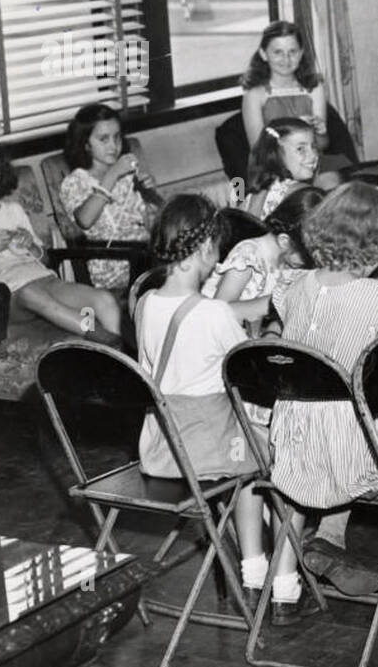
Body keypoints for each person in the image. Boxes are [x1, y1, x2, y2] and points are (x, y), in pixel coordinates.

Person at [136, 195, 307, 624]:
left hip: (162, 446)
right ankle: (284, 586)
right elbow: (251, 370)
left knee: (246, 448)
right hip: (207, 448)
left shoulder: (144, 303)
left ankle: (252, 572)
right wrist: (271, 327)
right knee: (294, 456)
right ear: (204, 249)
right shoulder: (211, 314)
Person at [272, 183, 378, 596]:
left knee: (355, 410)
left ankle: (328, 538)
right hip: (360, 468)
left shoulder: (293, 286)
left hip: (295, 457)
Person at [0, 134, 121, 337]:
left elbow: (46, 260)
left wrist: (31, 246)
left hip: (42, 279)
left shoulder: (13, 210)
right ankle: (105, 341)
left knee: (103, 300)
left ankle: (111, 358)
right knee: (32, 294)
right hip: (4, 299)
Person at [57, 104, 163, 290]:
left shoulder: (129, 175)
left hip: (148, 256)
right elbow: (85, 220)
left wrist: (151, 195)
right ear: (86, 144)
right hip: (114, 265)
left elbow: (155, 223)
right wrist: (112, 175)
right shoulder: (74, 182)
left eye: (117, 137)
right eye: (103, 139)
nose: (114, 146)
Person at [202, 186, 325, 333]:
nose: (309, 264)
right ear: (284, 241)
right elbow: (217, 313)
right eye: (307, 258)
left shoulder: (288, 262)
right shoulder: (248, 257)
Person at [240, 22, 347, 184]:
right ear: (263, 54)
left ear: (301, 53)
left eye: (292, 52)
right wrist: (294, 130)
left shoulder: (313, 88)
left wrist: (321, 132)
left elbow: (322, 145)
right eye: (277, 52)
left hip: (310, 162)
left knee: (333, 185)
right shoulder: (255, 94)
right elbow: (259, 149)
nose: (286, 59)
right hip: (273, 168)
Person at [244, 117, 319, 220]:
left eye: (314, 146)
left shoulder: (254, 195)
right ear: (277, 152)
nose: (313, 155)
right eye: (300, 149)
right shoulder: (301, 194)